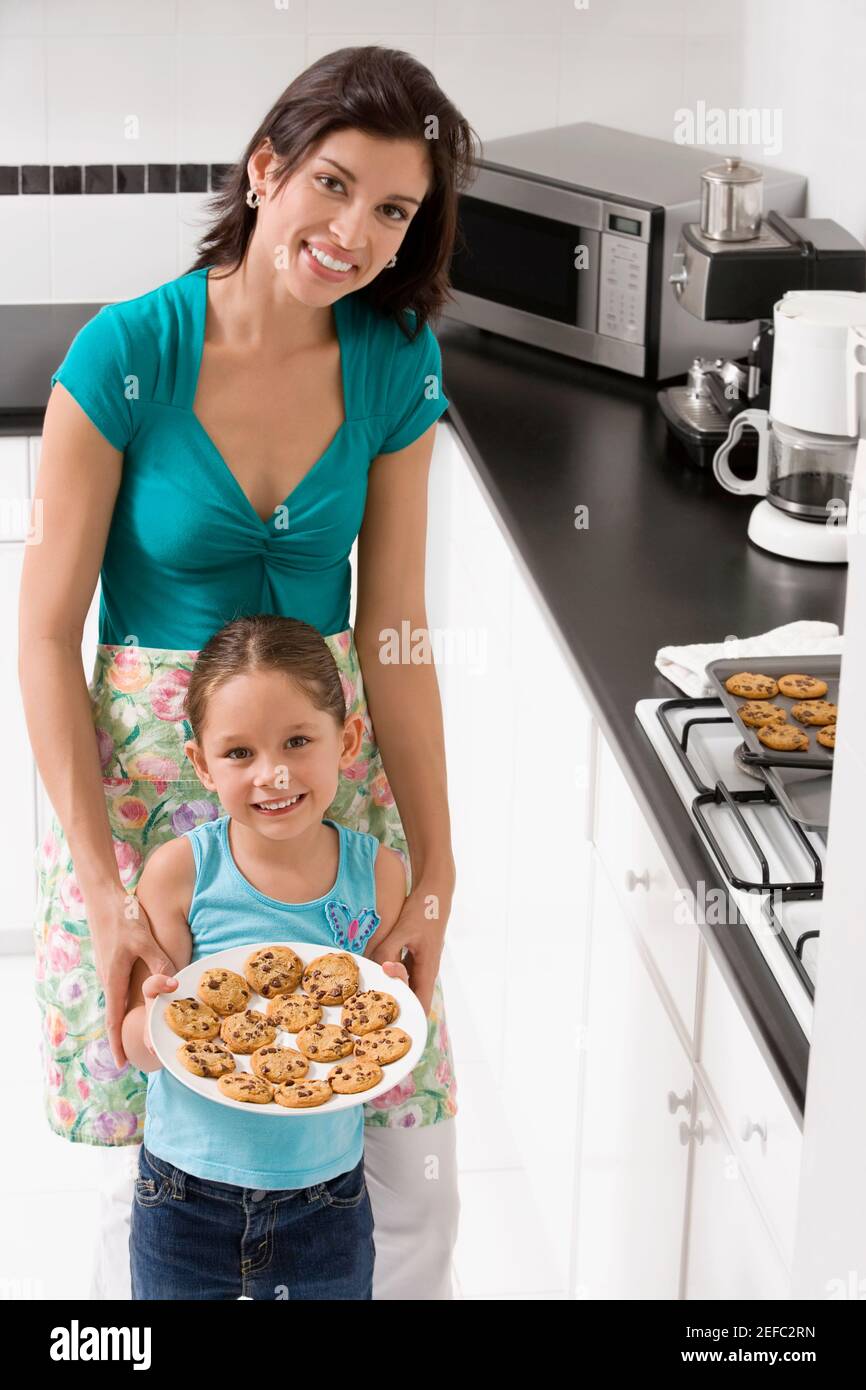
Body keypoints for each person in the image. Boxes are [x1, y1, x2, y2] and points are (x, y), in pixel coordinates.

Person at [20, 44, 480, 1299]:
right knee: (173, 1107)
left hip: (327, 774)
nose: (354, 232)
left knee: (388, 1113)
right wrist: (102, 876)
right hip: (154, 786)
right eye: (332, 185)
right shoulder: (126, 355)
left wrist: (434, 869)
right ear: (265, 168)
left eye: (392, 210)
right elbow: (43, 633)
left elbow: (391, 629)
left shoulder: (395, 366)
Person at [124, 614, 413, 1300]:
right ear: (200, 764)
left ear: (347, 740)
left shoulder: (379, 877)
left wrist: (395, 998)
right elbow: (135, 1048)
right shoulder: (178, 875)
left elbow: (380, 1041)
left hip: (328, 1199)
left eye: (297, 741)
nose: (273, 774)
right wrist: (156, 1013)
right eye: (239, 753)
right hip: (183, 1196)